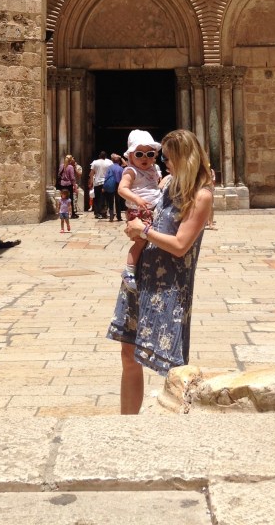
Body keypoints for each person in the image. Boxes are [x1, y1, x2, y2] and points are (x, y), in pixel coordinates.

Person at [107, 128, 214, 415]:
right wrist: (138, 230)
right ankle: (127, 423)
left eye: (167, 157)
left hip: (169, 287)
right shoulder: (167, 186)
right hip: (142, 279)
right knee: (128, 355)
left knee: (173, 362)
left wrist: (145, 231)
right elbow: (152, 221)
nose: (163, 163)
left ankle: (178, 428)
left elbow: (180, 245)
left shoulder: (201, 196)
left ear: (185, 159)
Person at [116, 130, 163, 290]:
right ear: (130, 156)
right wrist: (136, 199)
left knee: (155, 239)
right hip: (138, 212)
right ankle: (129, 270)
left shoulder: (154, 168)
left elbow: (156, 185)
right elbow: (122, 189)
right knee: (141, 240)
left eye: (149, 153)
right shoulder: (131, 171)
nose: (145, 158)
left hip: (154, 209)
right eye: (139, 154)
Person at [89, 150, 112, 219]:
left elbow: (91, 173)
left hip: (97, 182)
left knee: (97, 198)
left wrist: (91, 182)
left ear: (99, 156)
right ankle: (104, 212)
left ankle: (97, 213)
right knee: (105, 198)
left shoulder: (95, 162)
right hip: (105, 182)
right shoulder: (109, 163)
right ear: (105, 157)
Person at [103, 153, 125, 223]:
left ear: (112, 161)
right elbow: (123, 178)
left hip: (111, 184)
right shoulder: (121, 168)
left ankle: (111, 216)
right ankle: (119, 216)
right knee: (118, 201)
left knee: (110, 201)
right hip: (118, 185)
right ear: (119, 161)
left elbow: (106, 177)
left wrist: (104, 186)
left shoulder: (110, 168)